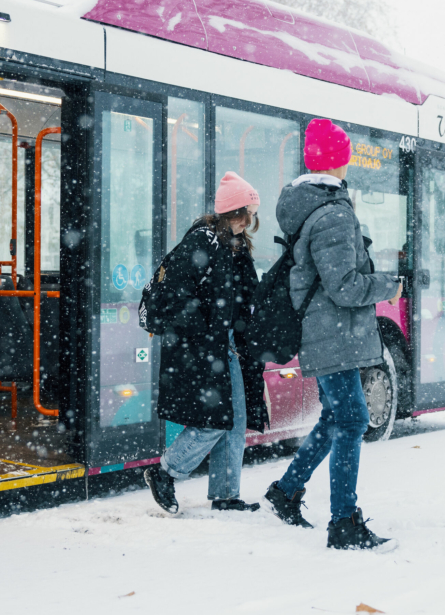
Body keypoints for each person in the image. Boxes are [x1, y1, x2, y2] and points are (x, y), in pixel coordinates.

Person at [262, 119, 402, 550]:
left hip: (324, 333)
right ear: (340, 161)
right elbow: (346, 287)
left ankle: (287, 491)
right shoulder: (334, 213)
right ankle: (343, 522)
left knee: (335, 416)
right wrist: (389, 283)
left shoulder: (310, 207)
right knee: (354, 418)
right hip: (334, 334)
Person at [144, 172, 270, 514]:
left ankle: (226, 495)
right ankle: (166, 472)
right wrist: (204, 329)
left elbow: (244, 297)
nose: (253, 219)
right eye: (251, 211)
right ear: (237, 211)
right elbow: (174, 295)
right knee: (213, 421)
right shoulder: (203, 242)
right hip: (203, 347)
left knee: (235, 421)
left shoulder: (234, 245)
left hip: (228, 347)